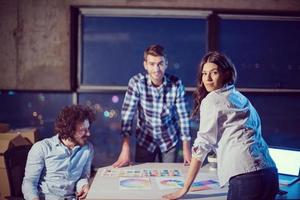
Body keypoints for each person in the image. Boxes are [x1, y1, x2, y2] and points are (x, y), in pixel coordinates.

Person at [163, 51, 279, 200]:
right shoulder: (240, 97)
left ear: (225, 74)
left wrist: (184, 188)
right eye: (204, 74)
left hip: (245, 177)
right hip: (270, 173)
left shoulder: (212, 100)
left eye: (214, 72)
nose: (208, 78)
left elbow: (202, 145)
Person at [112, 44, 191, 167]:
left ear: (166, 64)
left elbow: (184, 117)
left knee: (170, 179)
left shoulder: (176, 84)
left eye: (160, 63)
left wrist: (187, 149)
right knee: (143, 179)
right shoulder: (136, 83)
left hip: (169, 140)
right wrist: (125, 148)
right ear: (145, 65)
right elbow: (127, 116)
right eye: (152, 64)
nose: (156, 69)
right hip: (145, 139)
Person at [22, 104, 96, 200]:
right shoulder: (41, 148)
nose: (88, 133)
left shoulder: (87, 149)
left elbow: (82, 177)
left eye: (88, 129)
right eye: (83, 130)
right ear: (69, 130)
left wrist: (84, 186)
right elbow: (29, 182)